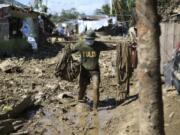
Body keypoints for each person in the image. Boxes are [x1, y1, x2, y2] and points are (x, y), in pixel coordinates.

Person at [70, 30, 116, 110]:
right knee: (82, 87)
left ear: (94, 39)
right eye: (88, 39)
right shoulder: (80, 44)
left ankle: (95, 107)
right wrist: (67, 48)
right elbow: (71, 50)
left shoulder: (98, 45)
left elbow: (109, 47)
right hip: (84, 69)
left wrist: (119, 45)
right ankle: (80, 101)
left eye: (91, 39)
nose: (89, 41)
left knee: (96, 87)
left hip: (95, 70)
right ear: (85, 39)